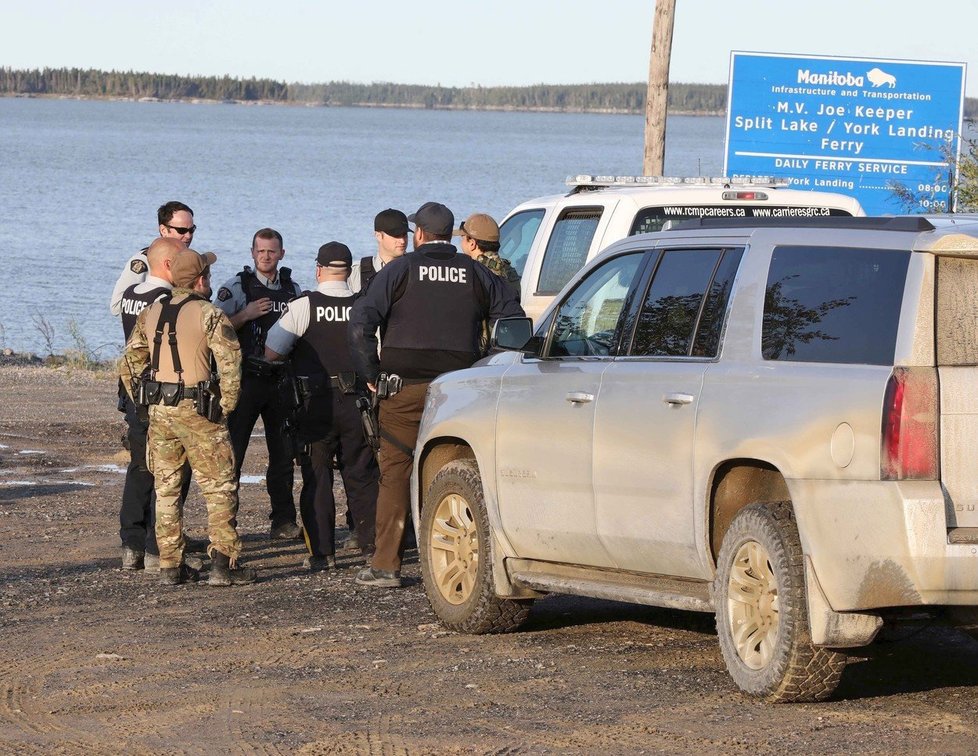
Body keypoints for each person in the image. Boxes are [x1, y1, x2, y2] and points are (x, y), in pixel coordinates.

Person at [349, 202, 525, 588]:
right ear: (452, 237)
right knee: (456, 471)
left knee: (396, 471)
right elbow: (513, 320)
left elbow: (361, 321)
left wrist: (372, 375)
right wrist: (490, 366)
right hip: (461, 391)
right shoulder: (476, 272)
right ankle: (453, 563)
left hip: (403, 390)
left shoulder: (399, 270)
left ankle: (385, 565)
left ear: (420, 235)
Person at [120, 246, 256, 586]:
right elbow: (230, 364)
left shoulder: (150, 312)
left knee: (167, 489)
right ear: (200, 280)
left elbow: (129, 363)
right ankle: (224, 564)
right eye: (206, 274)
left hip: (161, 411)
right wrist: (225, 405)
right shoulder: (209, 314)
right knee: (220, 487)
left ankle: (169, 564)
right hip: (200, 412)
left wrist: (143, 402)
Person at [264, 242, 378, 570]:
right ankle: (372, 550)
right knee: (362, 476)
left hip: (315, 404)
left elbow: (272, 351)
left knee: (317, 477)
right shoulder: (364, 306)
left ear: (318, 270)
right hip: (358, 402)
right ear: (348, 271)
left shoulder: (303, 307)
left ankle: (322, 554)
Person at [215, 228, 304, 539]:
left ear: (281, 253)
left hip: (281, 380)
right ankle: (227, 525)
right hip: (246, 380)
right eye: (261, 251)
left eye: (272, 251)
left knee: (282, 454)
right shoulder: (237, 288)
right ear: (252, 253)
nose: (266, 256)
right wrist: (245, 314)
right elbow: (213, 328)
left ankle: (283, 521)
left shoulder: (293, 288)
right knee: (233, 454)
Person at [117, 238, 192, 572]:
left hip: (133, 390)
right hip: (159, 393)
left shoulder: (132, 294)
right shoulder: (165, 300)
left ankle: (131, 543)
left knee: (138, 465)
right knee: (168, 469)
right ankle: (155, 546)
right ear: (166, 265)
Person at [110, 201, 196, 316]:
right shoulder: (143, 261)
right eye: (182, 231)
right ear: (163, 230)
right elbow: (117, 306)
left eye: (192, 230)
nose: (188, 236)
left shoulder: (191, 261)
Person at [454, 213, 521, 293]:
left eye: (462, 238)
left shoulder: (474, 273)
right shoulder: (509, 271)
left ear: (472, 244)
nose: (461, 243)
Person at [347, 209, 410, 293]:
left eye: (405, 235)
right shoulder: (356, 273)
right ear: (378, 236)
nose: (402, 241)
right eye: (396, 235)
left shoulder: (417, 269)